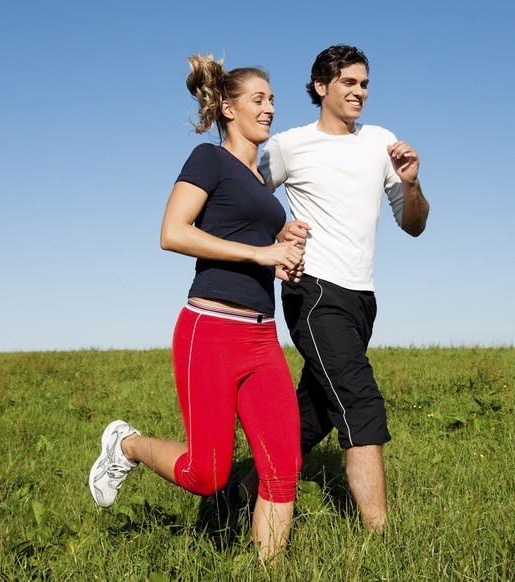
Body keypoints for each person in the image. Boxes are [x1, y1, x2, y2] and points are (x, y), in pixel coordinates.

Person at [89, 53, 308, 562]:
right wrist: (260, 251)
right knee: (208, 475)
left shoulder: (261, 185)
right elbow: (173, 232)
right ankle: (127, 445)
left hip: (261, 336)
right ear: (228, 109)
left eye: (273, 99)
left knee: (282, 467)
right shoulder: (208, 160)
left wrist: (281, 255)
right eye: (259, 99)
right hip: (209, 331)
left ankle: (267, 572)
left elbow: (245, 241)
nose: (271, 108)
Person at [239, 45, 430, 532]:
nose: (359, 93)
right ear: (321, 87)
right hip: (314, 290)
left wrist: (411, 184)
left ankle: (237, 490)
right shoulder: (289, 145)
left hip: (361, 295)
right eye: (349, 83)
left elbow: (414, 225)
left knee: (319, 409)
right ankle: (382, 537)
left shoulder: (381, 142)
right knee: (359, 400)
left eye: (365, 84)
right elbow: (246, 206)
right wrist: (274, 242)